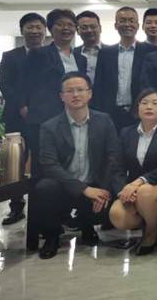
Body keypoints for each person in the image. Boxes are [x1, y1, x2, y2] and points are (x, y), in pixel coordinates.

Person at [34, 72, 118, 259]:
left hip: (95, 184)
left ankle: (87, 226)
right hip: (65, 186)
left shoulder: (104, 121)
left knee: (112, 200)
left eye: (80, 89)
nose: (75, 94)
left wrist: (103, 189)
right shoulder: (49, 127)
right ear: (61, 96)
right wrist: (84, 189)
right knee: (45, 187)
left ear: (90, 93)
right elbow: (49, 164)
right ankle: (52, 236)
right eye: (70, 91)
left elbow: (113, 158)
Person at [108, 88, 157, 255]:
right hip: (134, 190)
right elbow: (117, 167)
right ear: (137, 107)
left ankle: (151, 230)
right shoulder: (126, 133)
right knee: (117, 214)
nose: (149, 107)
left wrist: (139, 181)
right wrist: (123, 190)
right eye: (144, 103)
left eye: (155, 103)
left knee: (146, 192)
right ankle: (148, 220)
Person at [20, 9, 87, 175]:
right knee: (43, 164)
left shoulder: (80, 58)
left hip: (72, 117)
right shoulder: (38, 54)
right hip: (45, 117)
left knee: (68, 162)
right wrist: (24, 106)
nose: (66, 28)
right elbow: (25, 83)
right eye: (60, 24)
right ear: (50, 29)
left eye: (70, 25)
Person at [0, 12, 46, 225]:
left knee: (42, 161)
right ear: (22, 30)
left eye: (38, 27)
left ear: (44, 31)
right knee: (14, 164)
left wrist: (37, 108)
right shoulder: (10, 56)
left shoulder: (50, 54)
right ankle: (16, 208)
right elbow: (5, 85)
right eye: (30, 27)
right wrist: (22, 106)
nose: (34, 31)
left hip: (42, 118)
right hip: (16, 118)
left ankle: (41, 205)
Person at [92, 6, 157, 131]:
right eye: (122, 21)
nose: (127, 24)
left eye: (131, 21)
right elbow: (99, 85)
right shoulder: (105, 53)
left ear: (138, 25)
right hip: (110, 114)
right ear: (116, 25)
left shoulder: (150, 51)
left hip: (140, 112)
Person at [75, 10, 105, 84]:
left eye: (93, 27)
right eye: (84, 27)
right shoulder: (72, 54)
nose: (89, 30)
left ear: (100, 28)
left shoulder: (112, 53)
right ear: (78, 31)